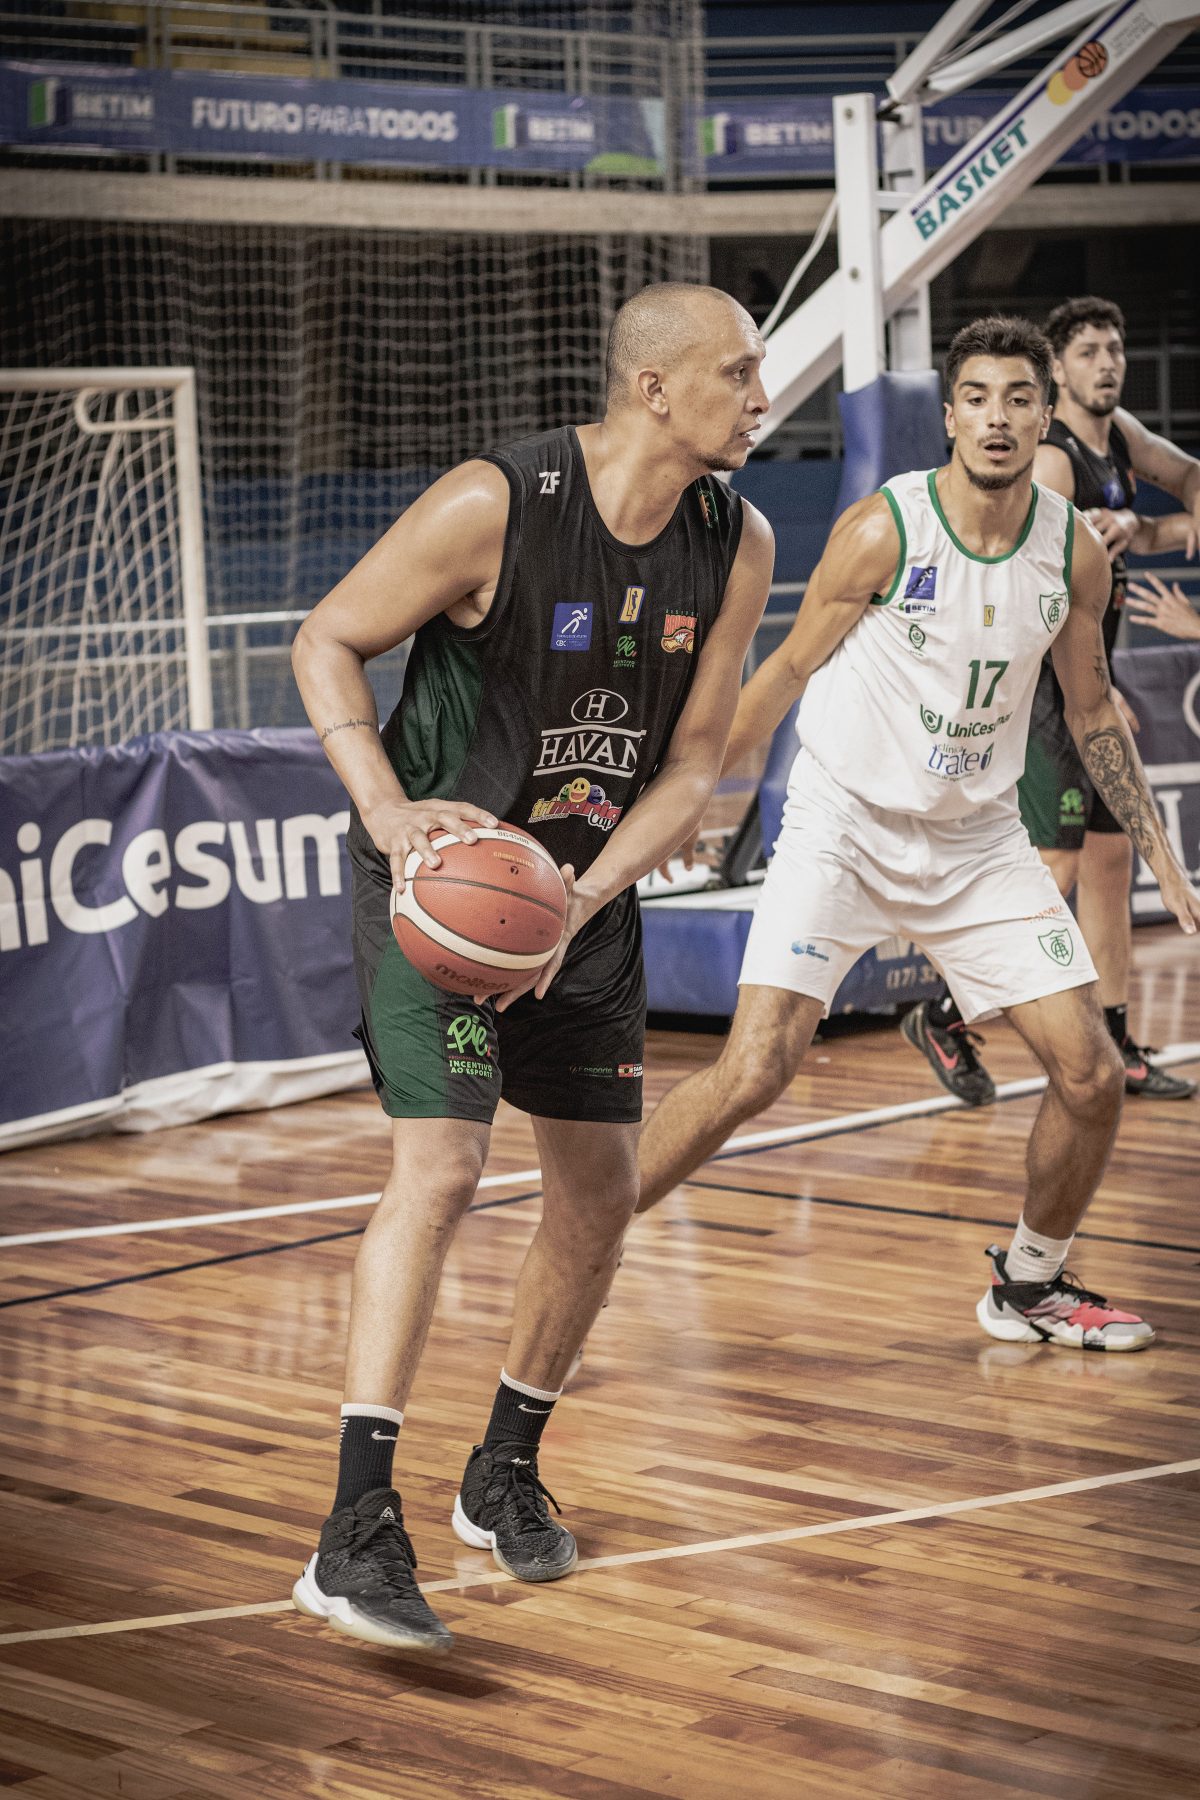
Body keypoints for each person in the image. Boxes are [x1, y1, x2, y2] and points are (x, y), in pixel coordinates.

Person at [287, 283, 774, 1652]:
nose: (761, 399)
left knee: (600, 1192)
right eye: (738, 374)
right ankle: (353, 1527)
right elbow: (327, 639)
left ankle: (500, 1468)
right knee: (442, 1168)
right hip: (441, 890)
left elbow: (695, 765)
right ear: (655, 388)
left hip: (578, 897)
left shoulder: (736, 539)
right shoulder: (495, 504)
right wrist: (388, 811)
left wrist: (586, 896)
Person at [630, 315, 1200, 1360]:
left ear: (1044, 419)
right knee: (756, 1068)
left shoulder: (1074, 552)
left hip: (977, 841)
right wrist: (689, 798)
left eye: (1018, 399)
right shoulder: (884, 529)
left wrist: (1164, 857)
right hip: (842, 826)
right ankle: (586, 1230)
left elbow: (1091, 711)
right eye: (977, 398)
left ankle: (1029, 1286)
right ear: (949, 417)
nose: (998, 418)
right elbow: (787, 671)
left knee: (1090, 1073)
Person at [903, 298, 1200, 1105]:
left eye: (1116, 348)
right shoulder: (1057, 461)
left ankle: (1117, 1037)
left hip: (1092, 677)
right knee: (1056, 865)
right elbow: (1025, 593)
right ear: (1057, 374)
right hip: (1046, 688)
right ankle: (943, 1013)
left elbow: (1190, 479)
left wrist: (1145, 523)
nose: (1108, 363)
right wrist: (1092, 695)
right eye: (1089, 351)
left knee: (1109, 862)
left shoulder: (1119, 436)